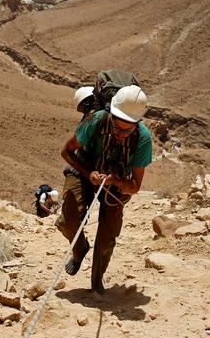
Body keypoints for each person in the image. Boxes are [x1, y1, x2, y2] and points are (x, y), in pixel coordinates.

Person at [56, 85, 153, 295]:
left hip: (115, 182)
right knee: (68, 220)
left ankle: (97, 280)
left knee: (107, 236)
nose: (119, 134)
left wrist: (115, 181)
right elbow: (66, 151)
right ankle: (79, 248)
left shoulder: (143, 139)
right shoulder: (96, 121)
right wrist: (89, 172)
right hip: (84, 169)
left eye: (127, 130)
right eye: (117, 128)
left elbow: (135, 186)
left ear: (137, 124)